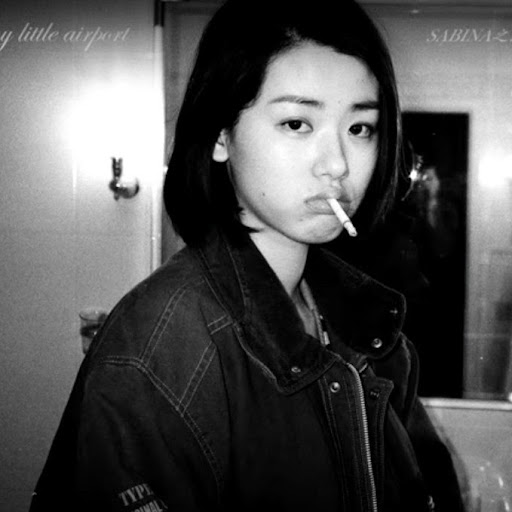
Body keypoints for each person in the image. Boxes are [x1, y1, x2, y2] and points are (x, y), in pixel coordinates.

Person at [30, 0, 465, 510]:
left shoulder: (367, 326)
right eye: (297, 123)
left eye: (359, 128)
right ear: (220, 134)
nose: (337, 165)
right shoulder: (162, 349)